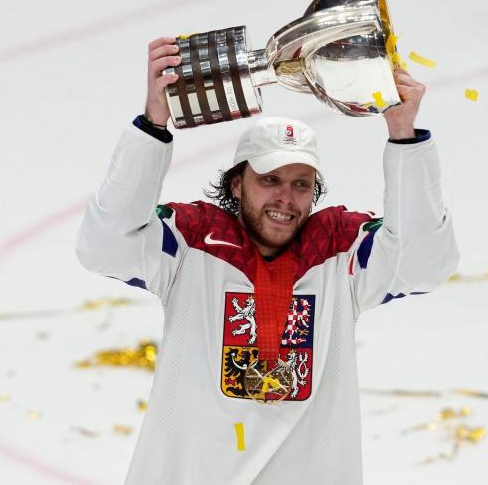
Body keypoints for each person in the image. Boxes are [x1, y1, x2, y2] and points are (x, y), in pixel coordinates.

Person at [76, 36, 459, 484]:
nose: (285, 197)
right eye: (270, 179)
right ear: (237, 184)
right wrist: (153, 124)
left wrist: (403, 133)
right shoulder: (191, 245)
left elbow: (426, 261)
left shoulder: (340, 254)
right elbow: (104, 244)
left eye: (300, 184)